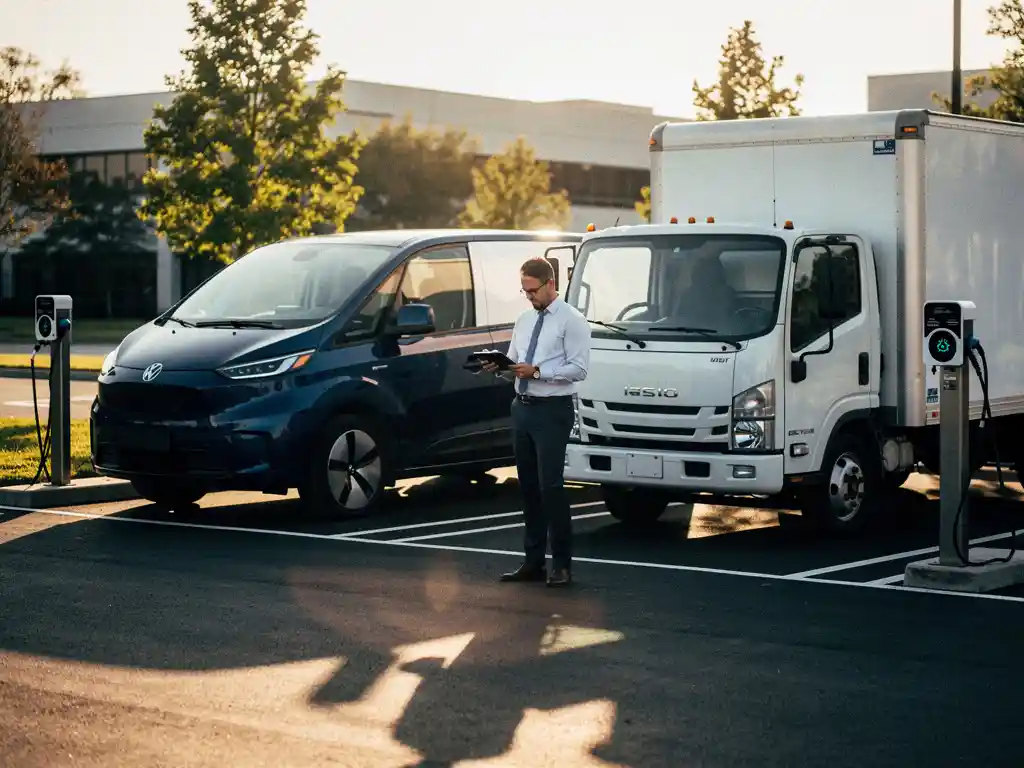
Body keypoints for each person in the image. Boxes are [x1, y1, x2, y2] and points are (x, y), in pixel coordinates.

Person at [480, 257, 591, 587]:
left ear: (550, 284)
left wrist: (540, 372)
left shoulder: (572, 321)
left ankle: (562, 565)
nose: (529, 296)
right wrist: (499, 367)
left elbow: (580, 369)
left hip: (552, 410)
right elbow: (516, 362)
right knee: (527, 487)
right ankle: (532, 562)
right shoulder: (524, 319)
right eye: (524, 291)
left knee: (550, 487)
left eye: (532, 290)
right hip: (523, 408)